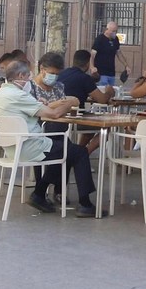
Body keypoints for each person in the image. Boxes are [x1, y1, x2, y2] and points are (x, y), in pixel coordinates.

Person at [31, 51, 100, 216]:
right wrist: (64, 104)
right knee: (77, 152)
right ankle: (83, 202)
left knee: (69, 149)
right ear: (42, 69)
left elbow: (63, 111)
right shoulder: (30, 87)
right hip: (38, 134)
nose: (54, 78)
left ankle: (41, 193)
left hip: (58, 132)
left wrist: (65, 105)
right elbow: (40, 111)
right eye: (52, 73)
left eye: (57, 74)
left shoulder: (59, 86)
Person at [92, 21, 122, 86]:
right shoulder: (100, 39)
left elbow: (119, 53)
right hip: (101, 72)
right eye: (113, 31)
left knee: (111, 90)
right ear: (107, 30)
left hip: (111, 72)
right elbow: (92, 54)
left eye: (115, 31)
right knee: (103, 89)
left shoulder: (115, 39)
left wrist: (126, 65)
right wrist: (92, 67)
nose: (114, 33)